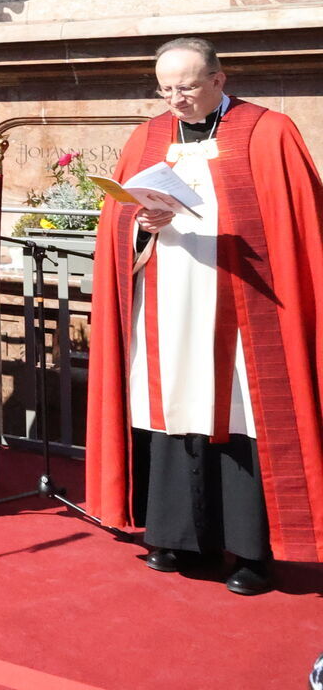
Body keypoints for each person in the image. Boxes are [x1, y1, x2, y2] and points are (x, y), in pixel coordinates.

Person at [86, 37, 323, 595]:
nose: (176, 101)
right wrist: (139, 228)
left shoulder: (268, 132)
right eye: (166, 90)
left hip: (244, 306)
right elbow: (116, 224)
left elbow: (301, 224)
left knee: (241, 416)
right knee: (169, 409)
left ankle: (252, 553)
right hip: (165, 303)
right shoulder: (146, 137)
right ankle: (176, 538)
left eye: (188, 87)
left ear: (219, 79)